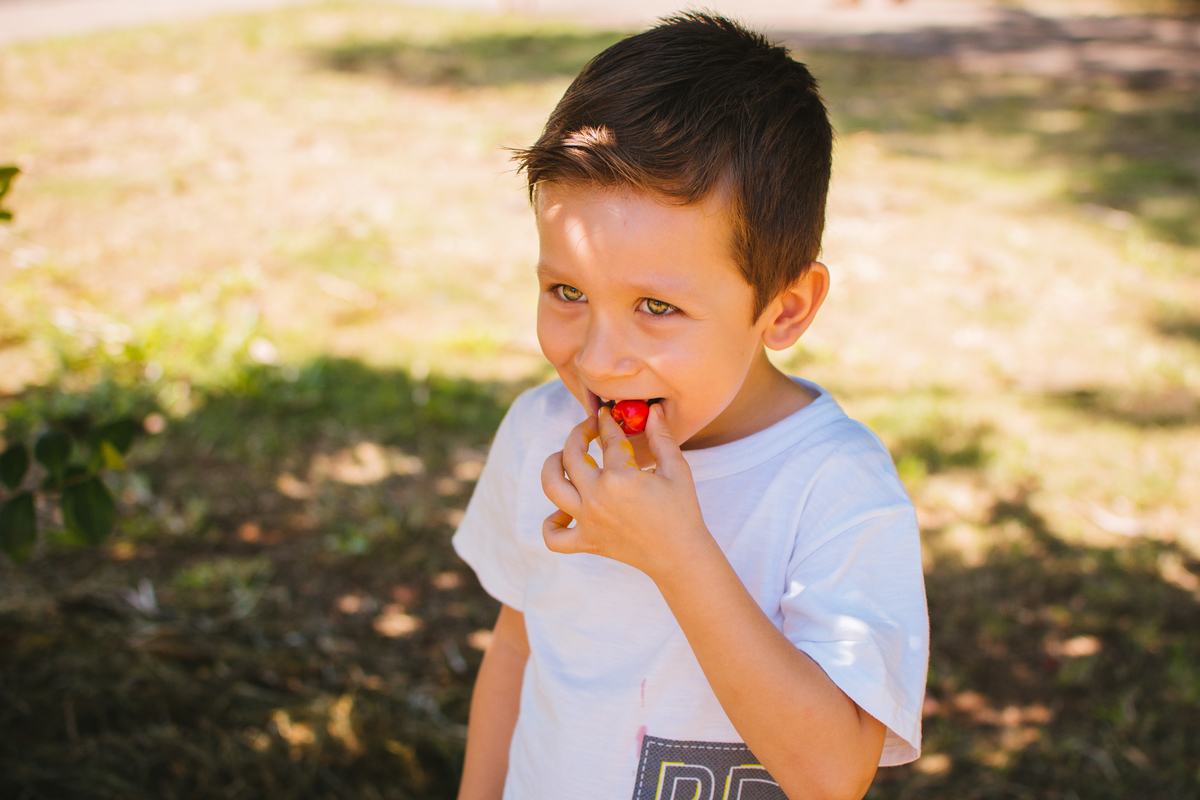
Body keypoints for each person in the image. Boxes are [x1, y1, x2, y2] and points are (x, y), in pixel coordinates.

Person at [452, 12, 928, 800]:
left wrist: (678, 554)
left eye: (656, 307)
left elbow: (833, 774)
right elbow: (515, 651)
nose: (600, 359)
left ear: (784, 308)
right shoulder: (540, 432)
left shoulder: (833, 488)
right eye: (567, 291)